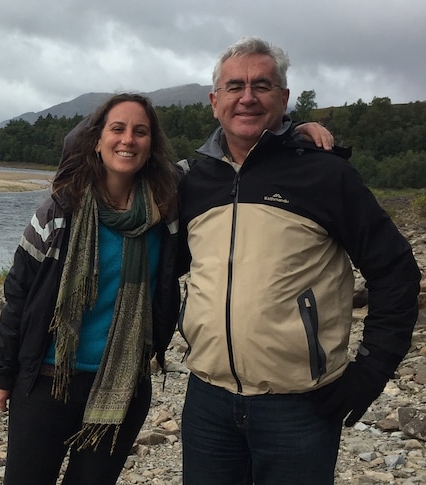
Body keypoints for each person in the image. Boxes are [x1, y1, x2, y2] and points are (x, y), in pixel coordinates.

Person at [176, 36, 421, 484]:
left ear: (283, 98)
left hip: (299, 408)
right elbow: (120, 181)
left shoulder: (324, 173)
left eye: (262, 85)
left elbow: (396, 271)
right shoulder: (193, 180)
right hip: (207, 400)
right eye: (234, 87)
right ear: (215, 102)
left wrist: (368, 373)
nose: (247, 97)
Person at [0, 93, 182, 485]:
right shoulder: (60, 210)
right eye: (118, 129)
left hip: (121, 386)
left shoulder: (167, 212)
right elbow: (18, 294)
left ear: (151, 145)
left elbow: (232, 163)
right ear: (96, 140)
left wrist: (294, 130)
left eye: (140, 131)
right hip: (46, 381)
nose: (128, 139)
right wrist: (1, 371)